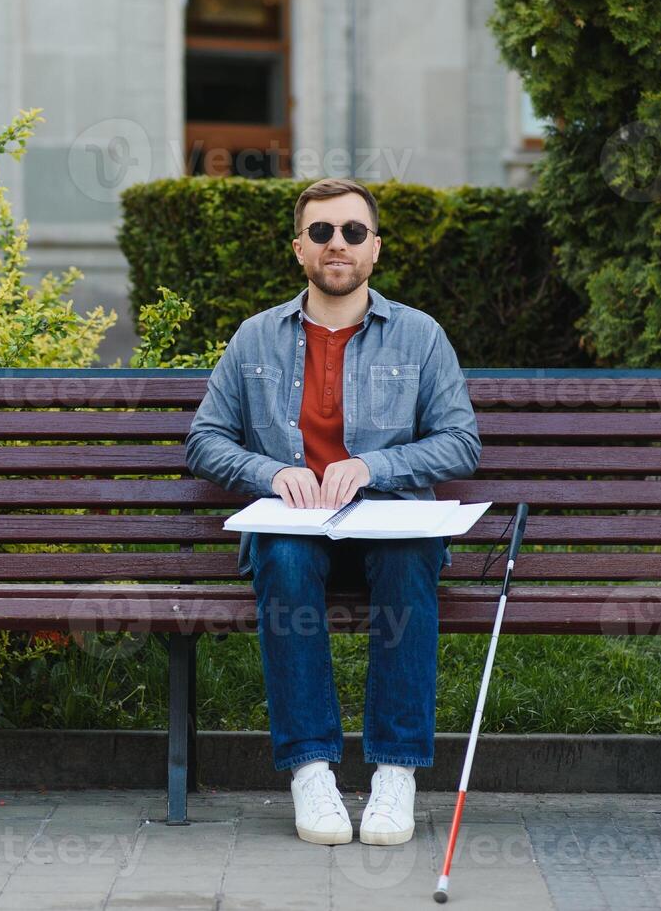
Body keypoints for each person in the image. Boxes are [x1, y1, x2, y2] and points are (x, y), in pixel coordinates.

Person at [185, 177, 481, 846]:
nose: (337, 244)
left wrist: (375, 466)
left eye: (353, 231)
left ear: (375, 248)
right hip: (297, 524)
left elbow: (461, 439)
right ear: (299, 249)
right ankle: (311, 769)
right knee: (284, 560)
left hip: (390, 519)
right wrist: (272, 472)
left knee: (409, 562)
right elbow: (204, 439)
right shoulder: (256, 338)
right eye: (321, 233)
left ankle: (395, 772)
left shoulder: (420, 336)